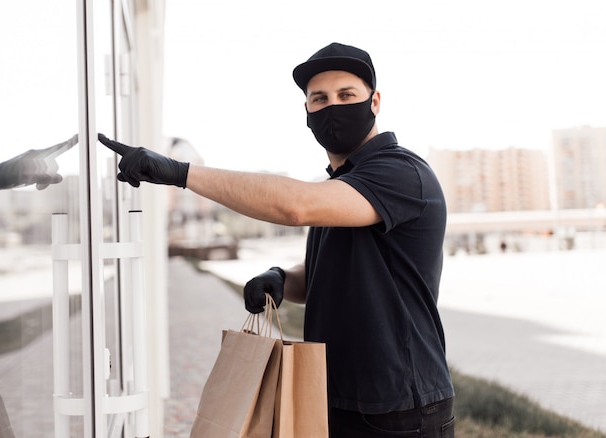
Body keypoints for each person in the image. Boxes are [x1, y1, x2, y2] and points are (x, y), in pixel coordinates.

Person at [98, 42, 455, 437]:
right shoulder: (341, 186)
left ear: (375, 101)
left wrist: (181, 173)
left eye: (346, 95)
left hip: (399, 408)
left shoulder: (401, 172)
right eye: (319, 98)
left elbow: (294, 206)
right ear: (307, 112)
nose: (332, 107)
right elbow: (338, 269)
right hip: (331, 393)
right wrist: (284, 277)